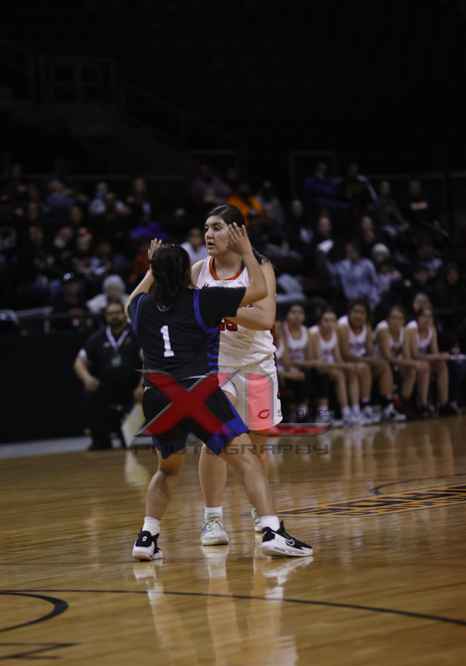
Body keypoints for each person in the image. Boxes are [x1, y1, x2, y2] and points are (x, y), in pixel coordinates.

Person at [126, 229, 312, 560]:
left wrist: (151, 270)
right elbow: (259, 291)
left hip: (158, 397)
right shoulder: (203, 299)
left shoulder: (142, 307)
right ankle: (272, 531)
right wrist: (248, 253)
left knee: (166, 470)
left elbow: (131, 300)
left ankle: (146, 537)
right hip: (197, 392)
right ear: (186, 273)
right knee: (247, 459)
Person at [191, 205, 282, 545]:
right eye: (206, 228)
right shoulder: (199, 270)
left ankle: (260, 511)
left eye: (216, 227)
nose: (208, 234)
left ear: (236, 232)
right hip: (217, 365)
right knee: (214, 440)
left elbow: (266, 319)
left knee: (255, 446)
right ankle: (212, 519)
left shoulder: (260, 267)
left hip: (257, 364)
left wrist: (220, 306)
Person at [74, 300, 143, 449]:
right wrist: (87, 378)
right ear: (105, 317)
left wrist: (141, 385)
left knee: (127, 442)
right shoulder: (97, 338)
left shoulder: (136, 334)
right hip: (106, 388)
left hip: (132, 389)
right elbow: (79, 362)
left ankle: (128, 435)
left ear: (125, 314)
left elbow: (150, 362)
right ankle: (100, 438)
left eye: (117, 313)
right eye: (110, 314)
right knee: (89, 394)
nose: (114, 316)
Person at [338, 300, 406, 423]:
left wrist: (374, 359)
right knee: (365, 366)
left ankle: (387, 406)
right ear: (349, 313)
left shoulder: (367, 327)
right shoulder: (343, 326)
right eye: (356, 312)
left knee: (383, 365)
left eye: (362, 313)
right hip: (344, 363)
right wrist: (368, 360)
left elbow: (370, 351)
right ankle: (364, 407)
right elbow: (344, 354)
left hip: (360, 361)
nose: (359, 315)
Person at [374, 306, 430, 417]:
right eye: (393, 318)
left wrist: (413, 363)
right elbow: (388, 357)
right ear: (388, 320)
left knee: (413, 369)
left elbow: (406, 355)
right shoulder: (383, 330)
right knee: (388, 366)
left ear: (403, 321)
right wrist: (412, 363)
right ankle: (387, 405)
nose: (396, 321)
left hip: (394, 363)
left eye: (399, 318)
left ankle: (403, 404)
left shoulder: (404, 332)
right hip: (378, 364)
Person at [309, 308, 361, 426]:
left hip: (331, 367)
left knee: (351, 371)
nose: (329, 324)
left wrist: (347, 366)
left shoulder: (334, 334)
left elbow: (338, 358)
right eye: (326, 320)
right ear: (320, 322)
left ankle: (356, 410)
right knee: (339, 374)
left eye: (332, 321)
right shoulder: (314, 334)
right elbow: (319, 361)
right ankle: (344, 412)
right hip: (314, 368)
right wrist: (345, 366)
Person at [406, 306, 457, 417]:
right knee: (425, 366)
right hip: (408, 359)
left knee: (441, 365)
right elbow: (414, 354)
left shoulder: (432, 330)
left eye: (430, 317)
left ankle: (443, 403)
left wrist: (441, 356)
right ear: (418, 318)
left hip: (423, 359)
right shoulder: (412, 329)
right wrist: (437, 356)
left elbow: (435, 352)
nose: (427, 319)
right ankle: (423, 404)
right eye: (424, 316)